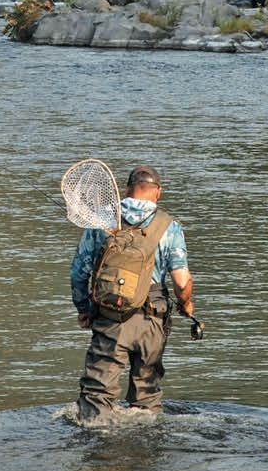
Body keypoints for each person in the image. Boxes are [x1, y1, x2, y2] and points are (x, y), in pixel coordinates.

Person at [70, 164, 198, 422]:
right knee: (147, 399)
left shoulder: (102, 220)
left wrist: (84, 309)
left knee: (97, 395)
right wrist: (186, 305)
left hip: (111, 316)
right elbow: (181, 282)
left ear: (127, 189)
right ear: (158, 192)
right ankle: (145, 450)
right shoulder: (169, 226)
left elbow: (78, 273)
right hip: (153, 319)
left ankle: (99, 451)